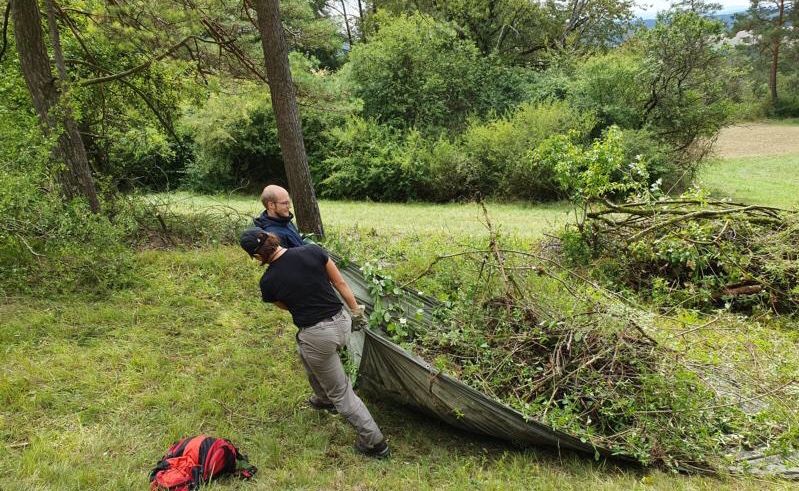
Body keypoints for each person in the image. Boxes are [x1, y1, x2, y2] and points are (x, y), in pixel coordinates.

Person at [239, 227, 390, 459]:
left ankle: (374, 442)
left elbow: (287, 305)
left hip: (318, 336)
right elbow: (340, 284)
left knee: (342, 393)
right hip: (342, 322)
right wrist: (356, 312)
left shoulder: (268, 281)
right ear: (273, 238)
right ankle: (323, 398)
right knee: (304, 349)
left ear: (257, 256)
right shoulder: (313, 251)